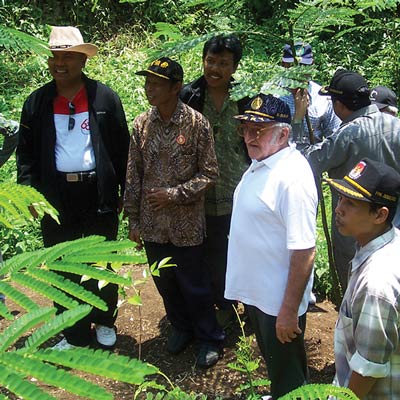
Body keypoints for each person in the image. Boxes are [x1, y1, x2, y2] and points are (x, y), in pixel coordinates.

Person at [16, 26, 130, 349]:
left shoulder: (104, 98)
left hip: (97, 193)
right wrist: (29, 192)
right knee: (62, 264)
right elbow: (26, 155)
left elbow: (122, 148)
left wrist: (125, 192)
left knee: (101, 259)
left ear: (82, 60)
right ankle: (74, 331)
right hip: (56, 197)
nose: (59, 64)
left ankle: (105, 319)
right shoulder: (36, 103)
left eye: (67, 57)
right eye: (55, 57)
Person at [124, 57, 225, 368]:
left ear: (176, 87)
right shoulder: (142, 123)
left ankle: (209, 337)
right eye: (147, 82)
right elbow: (133, 173)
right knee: (165, 282)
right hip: (153, 225)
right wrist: (133, 220)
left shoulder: (197, 124)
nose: (149, 88)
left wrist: (175, 194)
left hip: (186, 225)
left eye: (156, 83)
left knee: (195, 284)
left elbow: (209, 174)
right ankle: (181, 328)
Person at [225, 93, 318, 398]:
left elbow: (304, 249)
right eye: (246, 128)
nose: (250, 136)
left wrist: (289, 311)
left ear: (283, 133)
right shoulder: (263, 161)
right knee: (276, 367)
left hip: (278, 301)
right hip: (260, 295)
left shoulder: (291, 176)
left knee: (290, 377)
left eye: (259, 129)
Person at [303, 69, 400, 291]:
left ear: (338, 105)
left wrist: (299, 119)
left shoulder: (348, 133)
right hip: (394, 225)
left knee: (355, 289)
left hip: (355, 231)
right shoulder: (396, 126)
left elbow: (310, 161)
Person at [180, 34, 249, 327]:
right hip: (199, 188)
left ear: (235, 67)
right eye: (210, 61)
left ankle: (230, 301)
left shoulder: (245, 96)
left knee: (234, 247)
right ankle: (208, 302)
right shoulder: (191, 95)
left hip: (238, 187)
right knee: (204, 247)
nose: (215, 68)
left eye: (223, 63)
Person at [325, 158, 400, 399]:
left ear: (380, 215)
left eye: (351, 203)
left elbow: (368, 370)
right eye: (340, 198)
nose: (338, 208)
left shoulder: (376, 283)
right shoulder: (387, 240)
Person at [278, 42, 341, 149]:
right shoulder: (272, 96)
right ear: (283, 65)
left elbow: (335, 140)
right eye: (293, 66)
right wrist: (298, 117)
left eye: (304, 66)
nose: (298, 72)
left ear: (312, 65)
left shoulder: (323, 98)